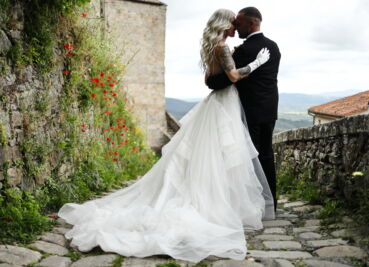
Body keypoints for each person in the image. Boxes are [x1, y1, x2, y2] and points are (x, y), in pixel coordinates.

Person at [58, 9, 274, 263]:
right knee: (218, 155)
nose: (236, 28)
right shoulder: (223, 48)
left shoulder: (214, 47)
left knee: (210, 156)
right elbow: (234, 76)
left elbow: (209, 79)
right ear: (225, 25)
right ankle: (216, 204)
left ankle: (217, 200)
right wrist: (258, 63)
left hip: (217, 103)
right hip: (224, 105)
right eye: (233, 24)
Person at [206, 7, 281, 211]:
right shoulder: (273, 47)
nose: (235, 27)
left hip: (248, 111)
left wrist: (211, 79)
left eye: (238, 23)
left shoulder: (245, 50)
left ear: (252, 23)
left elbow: (221, 80)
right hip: (269, 109)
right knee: (266, 154)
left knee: (249, 158)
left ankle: (253, 205)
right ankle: (270, 203)